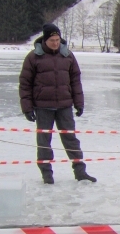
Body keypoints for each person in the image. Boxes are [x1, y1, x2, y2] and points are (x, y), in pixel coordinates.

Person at [19, 23, 96, 185]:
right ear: (45, 40)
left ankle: (80, 171)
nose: (55, 43)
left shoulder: (68, 56)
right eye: (52, 40)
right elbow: (25, 84)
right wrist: (27, 108)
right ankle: (47, 175)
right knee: (44, 142)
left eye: (58, 39)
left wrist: (79, 103)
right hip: (43, 107)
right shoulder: (33, 57)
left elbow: (75, 81)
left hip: (64, 106)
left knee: (71, 139)